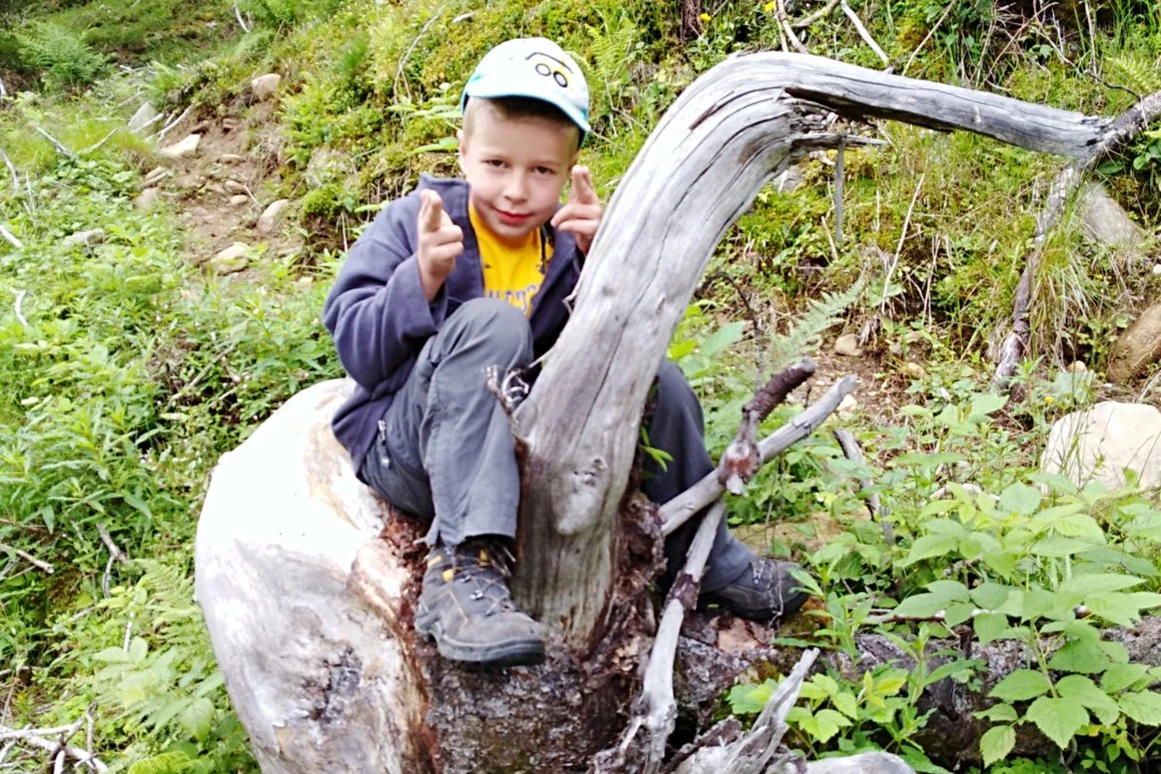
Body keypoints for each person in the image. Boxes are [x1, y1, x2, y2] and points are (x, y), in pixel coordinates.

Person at [322, 37, 806, 668]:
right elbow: (356, 348)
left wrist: (607, 265)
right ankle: (462, 573)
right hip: (414, 448)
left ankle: (702, 557)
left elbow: (609, 357)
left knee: (656, 377)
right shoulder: (420, 223)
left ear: (569, 168)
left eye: (541, 171)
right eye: (497, 163)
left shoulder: (564, 246)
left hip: (525, 446)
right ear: (463, 151)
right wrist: (420, 279)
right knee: (491, 324)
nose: (516, 190)